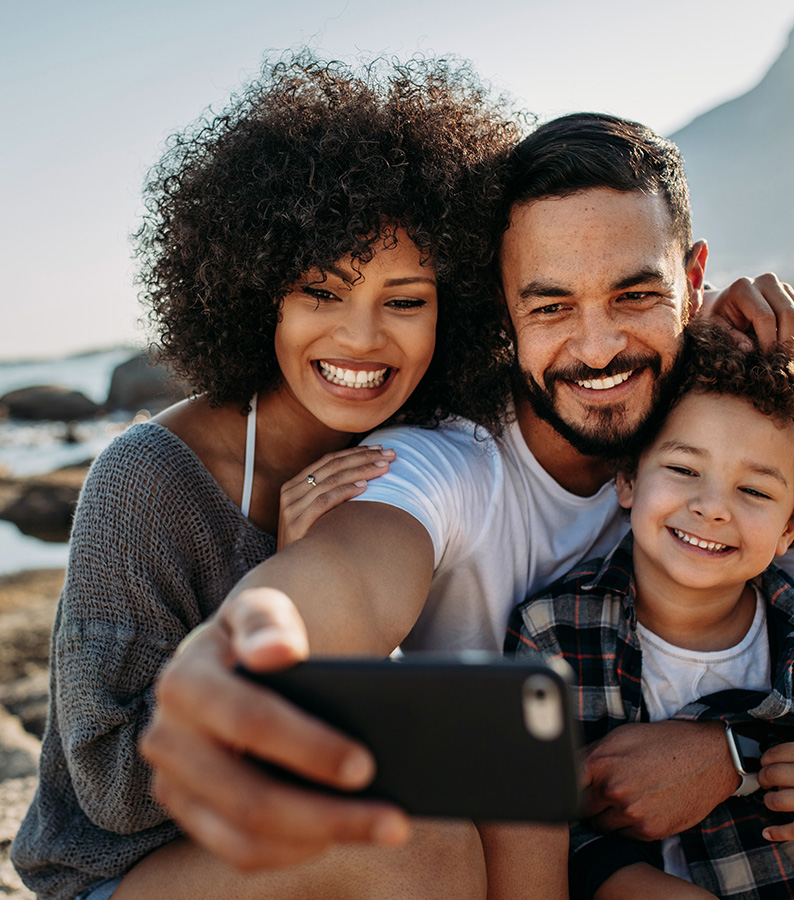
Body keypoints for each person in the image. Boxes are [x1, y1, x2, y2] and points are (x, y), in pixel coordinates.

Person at [141, 113, 794, 876]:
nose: (598, 345)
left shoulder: (766, 456)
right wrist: (252, 640)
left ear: (694, 277)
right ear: (502, 309)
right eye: (550, 306)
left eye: (636, 295)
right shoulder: (445, 464)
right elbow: (346, 575)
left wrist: (737, 754)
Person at [11, 52, 522, 900]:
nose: (362, 339)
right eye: (322, 291)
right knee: (414, 845)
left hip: (278, 835)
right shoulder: (145, 481)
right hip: (119, 871)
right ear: (257, 293)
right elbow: (110, 790)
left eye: (405, 301)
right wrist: (280, 591)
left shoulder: (413, 456)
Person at [506, 320, 794, 900]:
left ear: (789, 530)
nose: (712, 508)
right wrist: (624, 882)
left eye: (754, 491)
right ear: (627, 477)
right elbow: (536, 817)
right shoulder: (553, 636)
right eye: (683, 469)